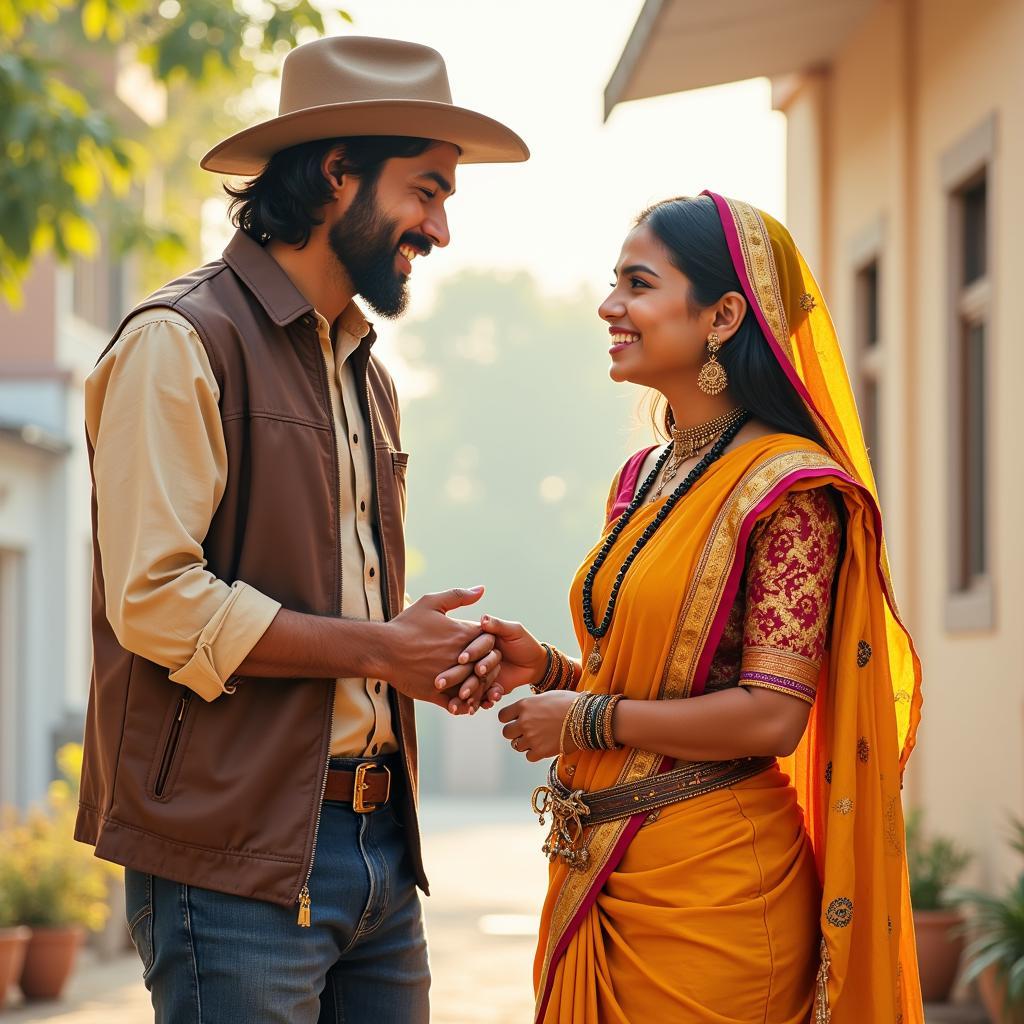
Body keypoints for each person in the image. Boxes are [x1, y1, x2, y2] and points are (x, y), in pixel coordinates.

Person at [74, 36, 525, 1024]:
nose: (441, 227)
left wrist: (422, 654)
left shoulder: (369, 375)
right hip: (227, 859)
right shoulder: (179, 340)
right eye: (428, 190)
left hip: (377, 851)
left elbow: (325, 600)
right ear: (336, 173)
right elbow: (155, 601)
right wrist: (379, 647)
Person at [484, 192, 924, 1023]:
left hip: (716, 902)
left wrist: (584, 719)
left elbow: (768, 718)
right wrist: (549, 670)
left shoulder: (789, 491)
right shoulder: (642, 478)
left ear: (723, 314)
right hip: (607, 874)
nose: (610, 306)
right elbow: (669, 686)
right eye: (614, 284)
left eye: (638, 284)